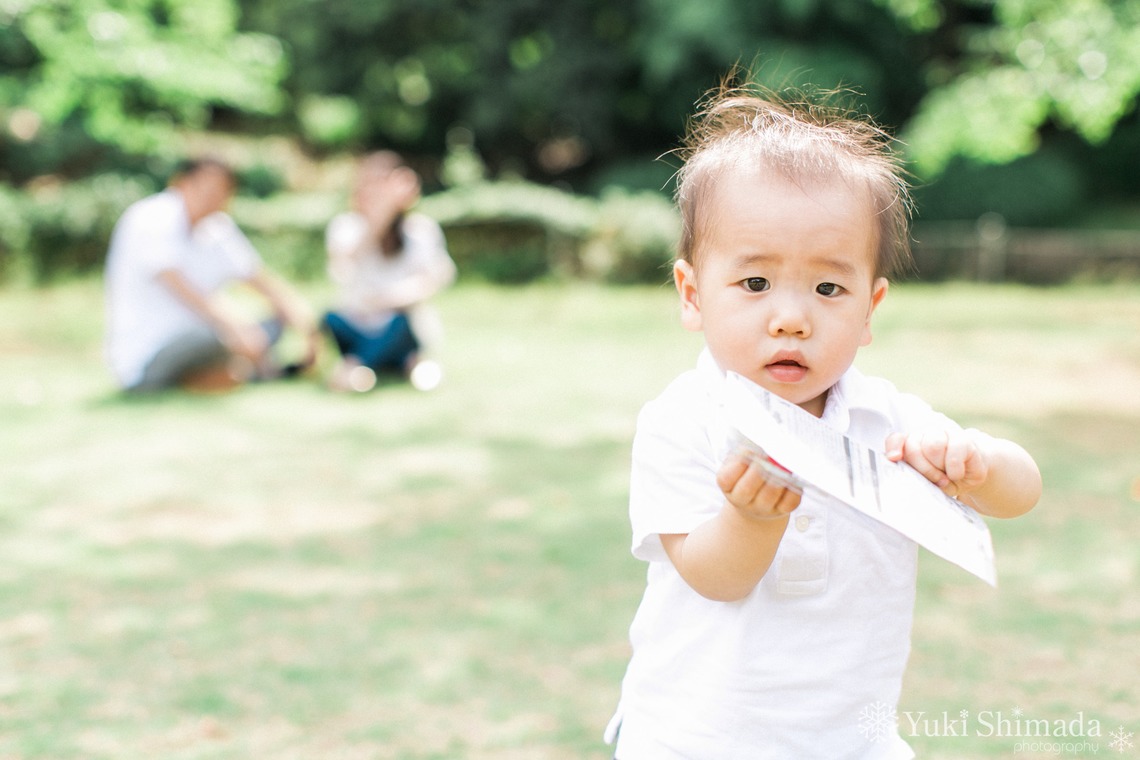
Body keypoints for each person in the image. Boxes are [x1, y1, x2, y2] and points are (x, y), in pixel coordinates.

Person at [605, 80, 1043, 759]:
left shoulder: (887, 419)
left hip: (851, 740)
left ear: (869, 308)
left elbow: (1024, 494)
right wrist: (751, 519)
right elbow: (715, 577)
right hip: (698, 739)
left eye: (828, 288)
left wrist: (978, 462)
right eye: (754, 283)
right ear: (692, 295)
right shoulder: (683, 421)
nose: (791, 316)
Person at [104, 157, 319, 393]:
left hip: (207, 337)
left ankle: (232, 371)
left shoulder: (217, 227)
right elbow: (183, 290)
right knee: (221, 334)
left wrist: (307, 326)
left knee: (273, 322)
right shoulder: (152, 218)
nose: (214, 196)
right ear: (181, 183)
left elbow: (259, 279)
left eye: (223, 189)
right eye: (206, 186)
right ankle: (240, 370)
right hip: (150, 354)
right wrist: (237, 329)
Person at [323, 151, 457, 392]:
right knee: (331, 318)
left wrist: (388, 299)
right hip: (358, 324)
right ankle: (406, 364)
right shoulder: (346, 226)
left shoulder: (420, 229)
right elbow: (345, 266)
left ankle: (358, 366)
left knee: (399, 324)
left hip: (400, 325)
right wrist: (382, 214)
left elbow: (435, 278)